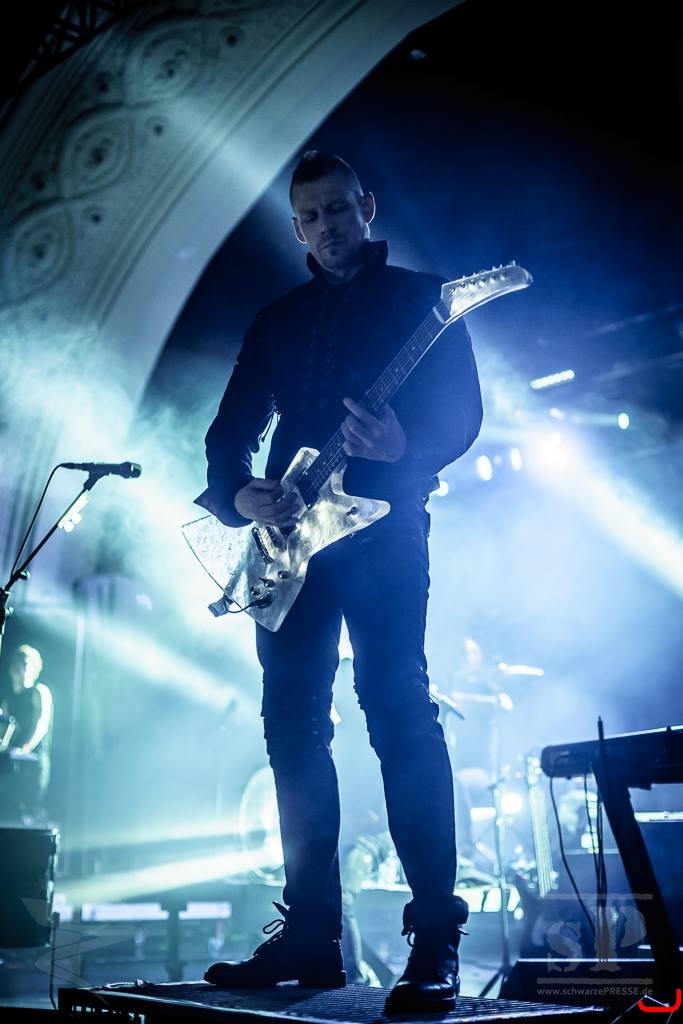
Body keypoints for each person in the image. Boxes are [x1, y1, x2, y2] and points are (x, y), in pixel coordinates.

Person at [197, 150, 483, 1012]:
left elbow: (463, 414)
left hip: (384, 530)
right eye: (310, 215)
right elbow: (230, 429)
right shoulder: (276, 319)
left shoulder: (425, 302)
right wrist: (236, 493)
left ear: (366, 206)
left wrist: (405, 446)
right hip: (291, 541)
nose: (326, 225)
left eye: (337, 208)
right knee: (290, 726)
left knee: (396, 709)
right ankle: (311, 933)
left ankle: (434, 936)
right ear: (297, 228)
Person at [0, 644, 53, 821]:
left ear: (34, 669)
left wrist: (25, 748)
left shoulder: (39, 691)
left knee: (27, 814)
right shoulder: (8, 699)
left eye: (25, 663)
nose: (20, 666)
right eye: (17, 662)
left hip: (33, 764)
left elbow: (42, 723)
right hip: (12, 766)